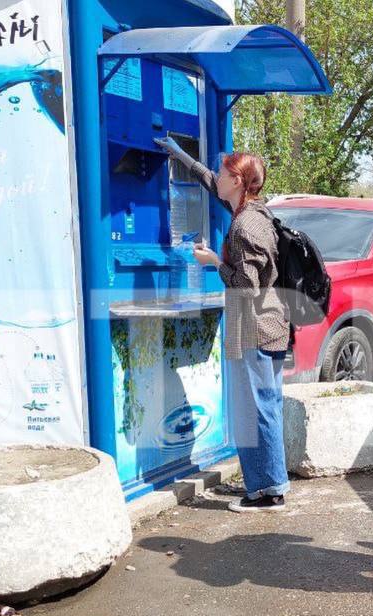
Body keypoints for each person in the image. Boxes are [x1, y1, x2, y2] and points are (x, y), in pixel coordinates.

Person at [155, 137, 291, 513]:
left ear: (238, 181)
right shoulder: (251, 212)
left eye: (224, 172)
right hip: (269, 324)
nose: (217, 175)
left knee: (257, 408)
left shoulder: (247, 226)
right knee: (266, 405)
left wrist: (215, 262)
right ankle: (269, 483)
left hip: (255, 327)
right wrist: (179, 155)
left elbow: (246, 286)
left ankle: (267, 491)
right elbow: (208, 181)